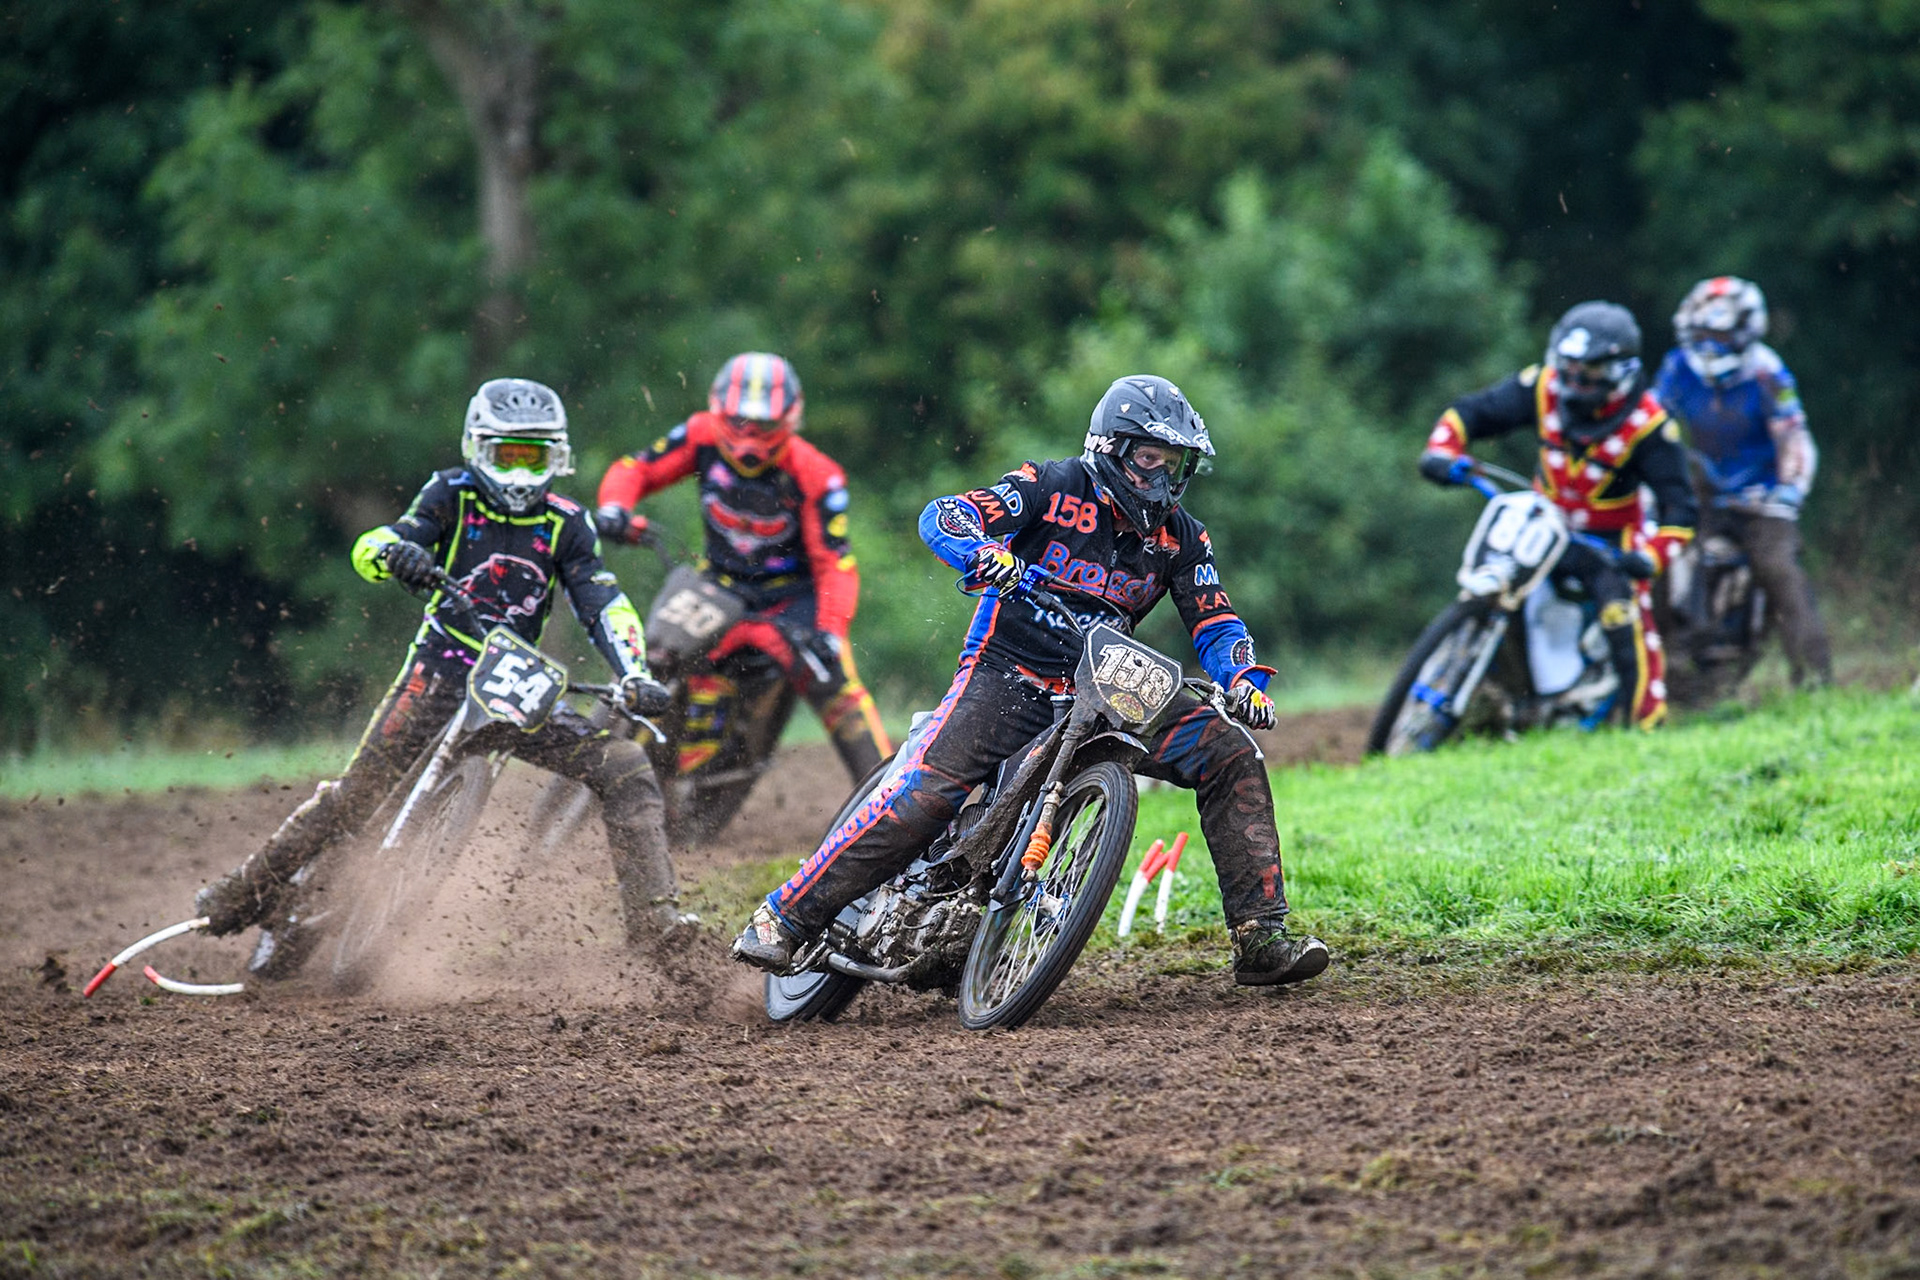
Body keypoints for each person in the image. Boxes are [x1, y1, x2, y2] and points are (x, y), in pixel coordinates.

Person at [730, 374, 1330, 988]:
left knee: (1231, 752)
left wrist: (1242, 679)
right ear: (1112, 450)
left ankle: (1260, 937)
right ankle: (786, 916)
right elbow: (946, 515)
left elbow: (1215, 619)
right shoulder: (1051, 486)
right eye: (1150, 460)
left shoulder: (1183, 535)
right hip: (1006, 669)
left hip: (1109, 681)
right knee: (926, 795)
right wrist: (980, 551)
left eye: (1173, 465)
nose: (1160, 479)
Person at [194, 378, 682, 976]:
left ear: (557, 457)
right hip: (441, 668)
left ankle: (658, 931)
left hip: (515, 687)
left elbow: (603, 602)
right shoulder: (450, 494)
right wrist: (395, 554)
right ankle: (244, 891)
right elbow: (375, 543)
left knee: (627, 766)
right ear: (479, 449)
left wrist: (633, 672)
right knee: (356, 796)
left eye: (535, 456)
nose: (522, 471)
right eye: (509, 454)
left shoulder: (569, 524)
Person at [594, 352, 891, 784]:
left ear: (790, 419)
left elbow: (835, 562)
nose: (750, 439)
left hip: (791, 600)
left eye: (764, 426)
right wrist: (615, 508)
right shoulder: (699, 435)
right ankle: (605, 743)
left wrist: (831, 629)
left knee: (836, 689)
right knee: (653, 650)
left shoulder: (816, 474)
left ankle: (890, 796)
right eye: (738, 424)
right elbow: (637, 468)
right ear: (718, 412)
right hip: (721, 585)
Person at [1419, 301, 1698, 729]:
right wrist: (1442, 450)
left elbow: (1681, 511)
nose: (1574, 383)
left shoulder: (1651, 425)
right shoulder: (1541, 387)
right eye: (1567, 369)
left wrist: (1652, 556)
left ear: (1621, 372)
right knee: (1493, 582)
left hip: (1608, 542)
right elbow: (1471, 413)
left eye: (1589, 374)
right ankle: (1491, 700)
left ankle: (1647, 723)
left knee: (1623, 614)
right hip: (1541, 523)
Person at [1654, 275, 1832, 686]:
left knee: (1777, 568)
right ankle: (1665, 663)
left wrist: (1790, 491)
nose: (1709, 345)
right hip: (1701, 489)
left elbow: (1793, 437)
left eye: (1719, 335)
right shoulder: (1677, 367)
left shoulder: (1768, 373)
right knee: (1658, 552)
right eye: (1701, 334)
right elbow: (1652, 426)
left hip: (1763, 495)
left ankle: (1813, 677)